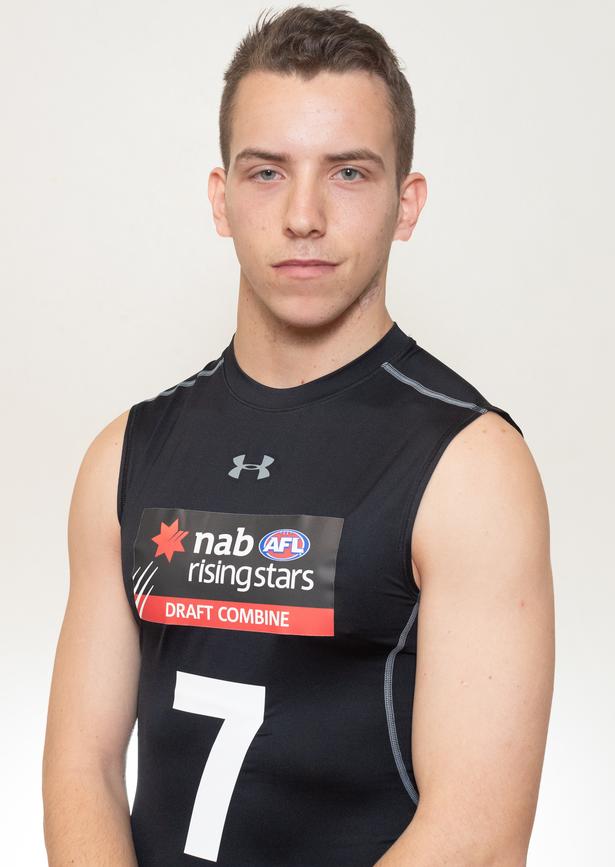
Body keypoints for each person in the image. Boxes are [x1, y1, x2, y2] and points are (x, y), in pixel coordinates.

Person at [42, 6, 555, 866]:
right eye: (268, 172)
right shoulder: (125, 454)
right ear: (222, 198)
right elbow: (81, 766)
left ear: (406, 202)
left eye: (349, 173)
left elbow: (476, 835)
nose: (305, 215)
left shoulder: (471, 467)